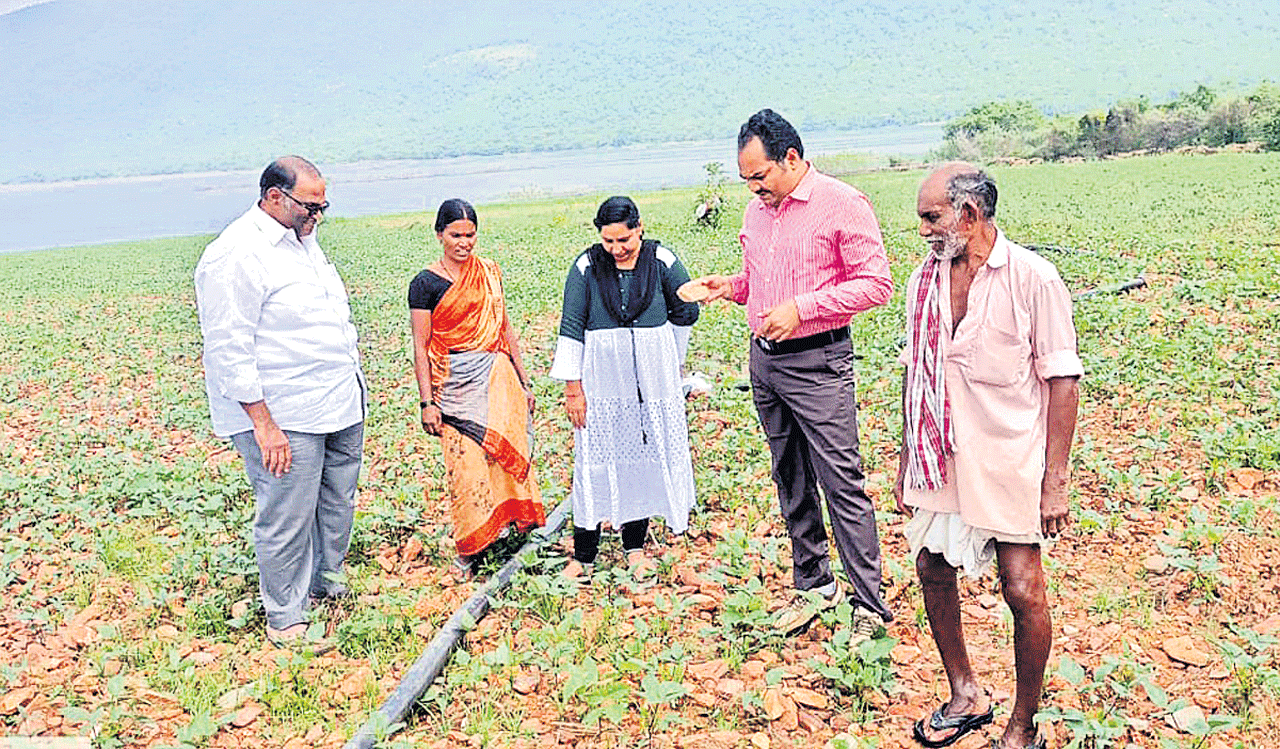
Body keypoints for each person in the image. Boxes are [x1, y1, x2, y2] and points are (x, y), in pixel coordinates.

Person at [894, 163, 1082, 749]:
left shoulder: (1033, 278)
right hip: (940, 449)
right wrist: (905, 457)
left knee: (1022, 587)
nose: (923, 229)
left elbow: (1062, 381)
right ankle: (965, 692)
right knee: (930, 566)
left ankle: (1023, 724)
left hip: (1011, 456)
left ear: (968, 215)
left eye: (932, 217)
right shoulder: (923, 283)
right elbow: (915, 375)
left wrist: (1055, 480)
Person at [695, 109, 894, 636]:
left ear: (791, 158)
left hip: (818, 360)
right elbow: (762, 280)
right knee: (792, 478)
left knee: (841, 481)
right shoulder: (757, 214)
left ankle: (868, 608)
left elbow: (876, 284)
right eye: (746, 180)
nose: (754, 189)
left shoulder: (842, 203)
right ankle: (814, 587)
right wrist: (732, 288)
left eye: (759, 177)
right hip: (766, 361)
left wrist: (803, 308)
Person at [194, 156, 363, 650]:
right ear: (274, 197)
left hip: (336, 399)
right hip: (285, 413)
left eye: (322, 206)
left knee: (336, 500)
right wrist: (264, 425)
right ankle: (286, 618)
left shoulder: (304, 242)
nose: (318, 215)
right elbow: (229, 346)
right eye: (311, 206)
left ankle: (325, 584)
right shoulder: (236, 254)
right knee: (286, 512)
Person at [550, 196, 700, 580]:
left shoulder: (661, 260)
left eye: (624, 241)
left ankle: (635, 548)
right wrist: (573, 389)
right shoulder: (586, 266)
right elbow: (572, 325)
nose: (616, 250)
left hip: (651, 379)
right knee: (594, 459)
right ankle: (583, 555)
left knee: (642, 459)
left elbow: (687, 309)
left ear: (640, 229)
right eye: (609, 242)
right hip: (601, 378)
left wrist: (669, 359)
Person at [409, 199, 545, 579]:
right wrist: (427, 402)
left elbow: (505, 329)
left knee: (504, 454)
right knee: (465, 466)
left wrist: (524, 380)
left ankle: (513, 528)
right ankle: (470, 546)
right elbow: (421, 345)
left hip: (498, 377)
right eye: (455, 235)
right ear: (439, 235)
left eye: (470, 235)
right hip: (453, 384)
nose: (464, 243)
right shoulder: (425, 283)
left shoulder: (488, 273)